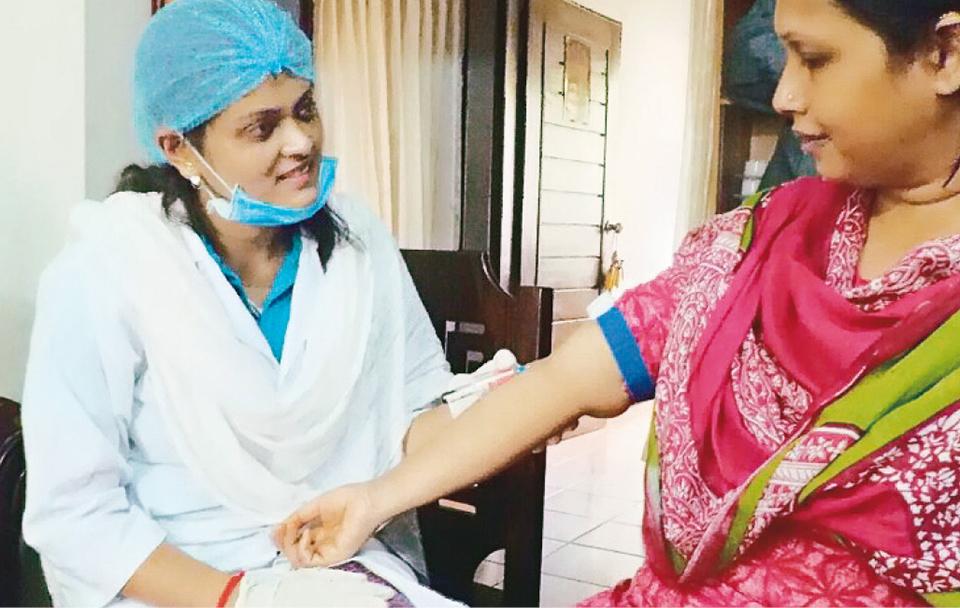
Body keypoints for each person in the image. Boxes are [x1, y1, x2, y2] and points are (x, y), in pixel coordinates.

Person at [278, 1, 960, 605]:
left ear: (946, 53)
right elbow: (564, 380)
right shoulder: (759, 244)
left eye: (815, 58)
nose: (784, 94)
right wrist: (376, 498)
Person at [20, 1, 463, 605]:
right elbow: (75, 514)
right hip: (179, 583)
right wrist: (241, 597)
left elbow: (415, 411)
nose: (301, 141)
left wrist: (509, 407)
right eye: (262, 127)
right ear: (179, 148)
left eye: (305, 110)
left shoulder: (358, 245)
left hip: (337, 568)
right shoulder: (106, 270)